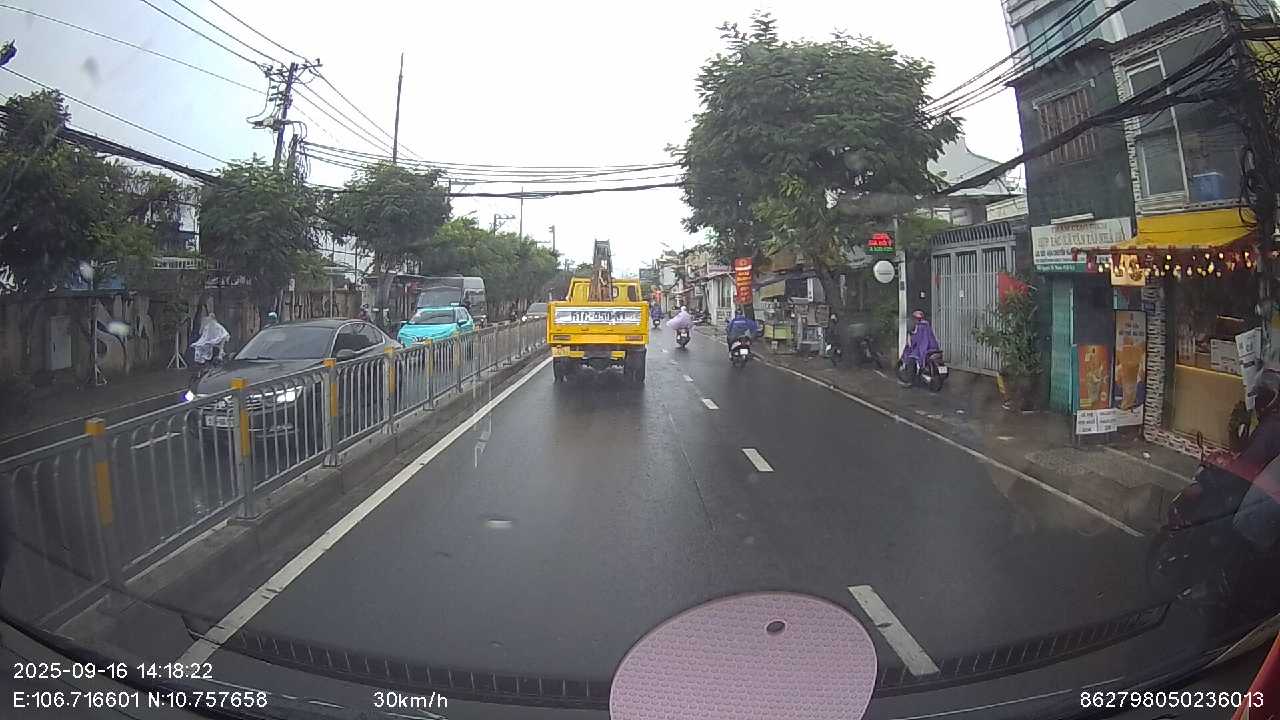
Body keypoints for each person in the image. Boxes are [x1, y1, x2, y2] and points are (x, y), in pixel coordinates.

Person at [190, 312, 230, 378]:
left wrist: (220, 349)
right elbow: (203, 335)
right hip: (210, 347)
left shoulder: (217, 327)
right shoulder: (208, 326)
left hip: (214, 348)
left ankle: (207, 372)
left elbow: (224, 336)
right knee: (202, 353)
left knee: (209, 361)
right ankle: (204, 372)